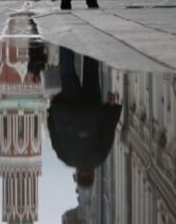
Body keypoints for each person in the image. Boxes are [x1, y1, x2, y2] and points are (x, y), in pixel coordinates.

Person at [47, 48, 121, 189]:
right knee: (67, 73)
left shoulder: (99, 158)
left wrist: (111, 107)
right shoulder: (65, 157)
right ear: (78, 174)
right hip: (68, 110)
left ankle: (88, 41)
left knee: (91, 72)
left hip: (92, 110)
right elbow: (53, 132)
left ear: (92, 174)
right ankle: (66, 40)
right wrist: (53, 108)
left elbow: (108, 130)